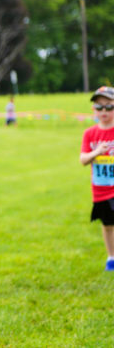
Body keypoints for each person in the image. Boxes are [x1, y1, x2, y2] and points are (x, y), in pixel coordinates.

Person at [79, 86, 114, 272]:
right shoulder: (90, 134)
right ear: (93, 110)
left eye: (109, 107)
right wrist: (97, 152)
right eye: (99, 107)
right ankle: (111, 257)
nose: (104, 112)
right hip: (100, 190)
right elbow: (83, 160)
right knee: (107, 225)